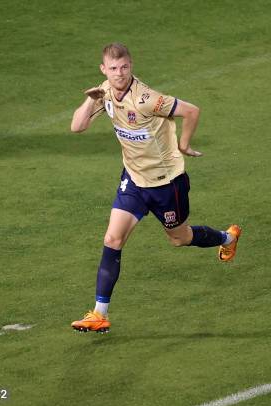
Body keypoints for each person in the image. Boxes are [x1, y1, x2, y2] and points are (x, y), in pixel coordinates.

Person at [69, 43, 241, 333]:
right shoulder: (105, 90)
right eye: (113, 68)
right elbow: (77, 127)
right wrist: (91, 100)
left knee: (180, 239)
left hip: (166, 184)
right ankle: (99, 314)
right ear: (104, 69)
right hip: (134, 180)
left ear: (131, 65)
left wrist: (184, 144)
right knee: (112, 239)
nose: (119, 74)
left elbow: (191, 111)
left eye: (124, 67)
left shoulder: (147, 99)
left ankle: (227, 238)